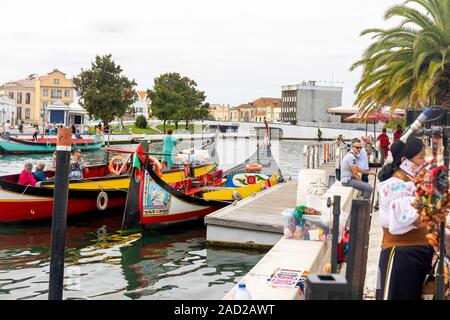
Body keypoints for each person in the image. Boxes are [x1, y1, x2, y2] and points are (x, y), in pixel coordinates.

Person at [376, 137, 432, 300]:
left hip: (415, 254)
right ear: (405, 161)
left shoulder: (412, 183)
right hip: (401, 255)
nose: (424, 162)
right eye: (421, 157)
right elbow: (417, 219)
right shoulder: (394, 186)